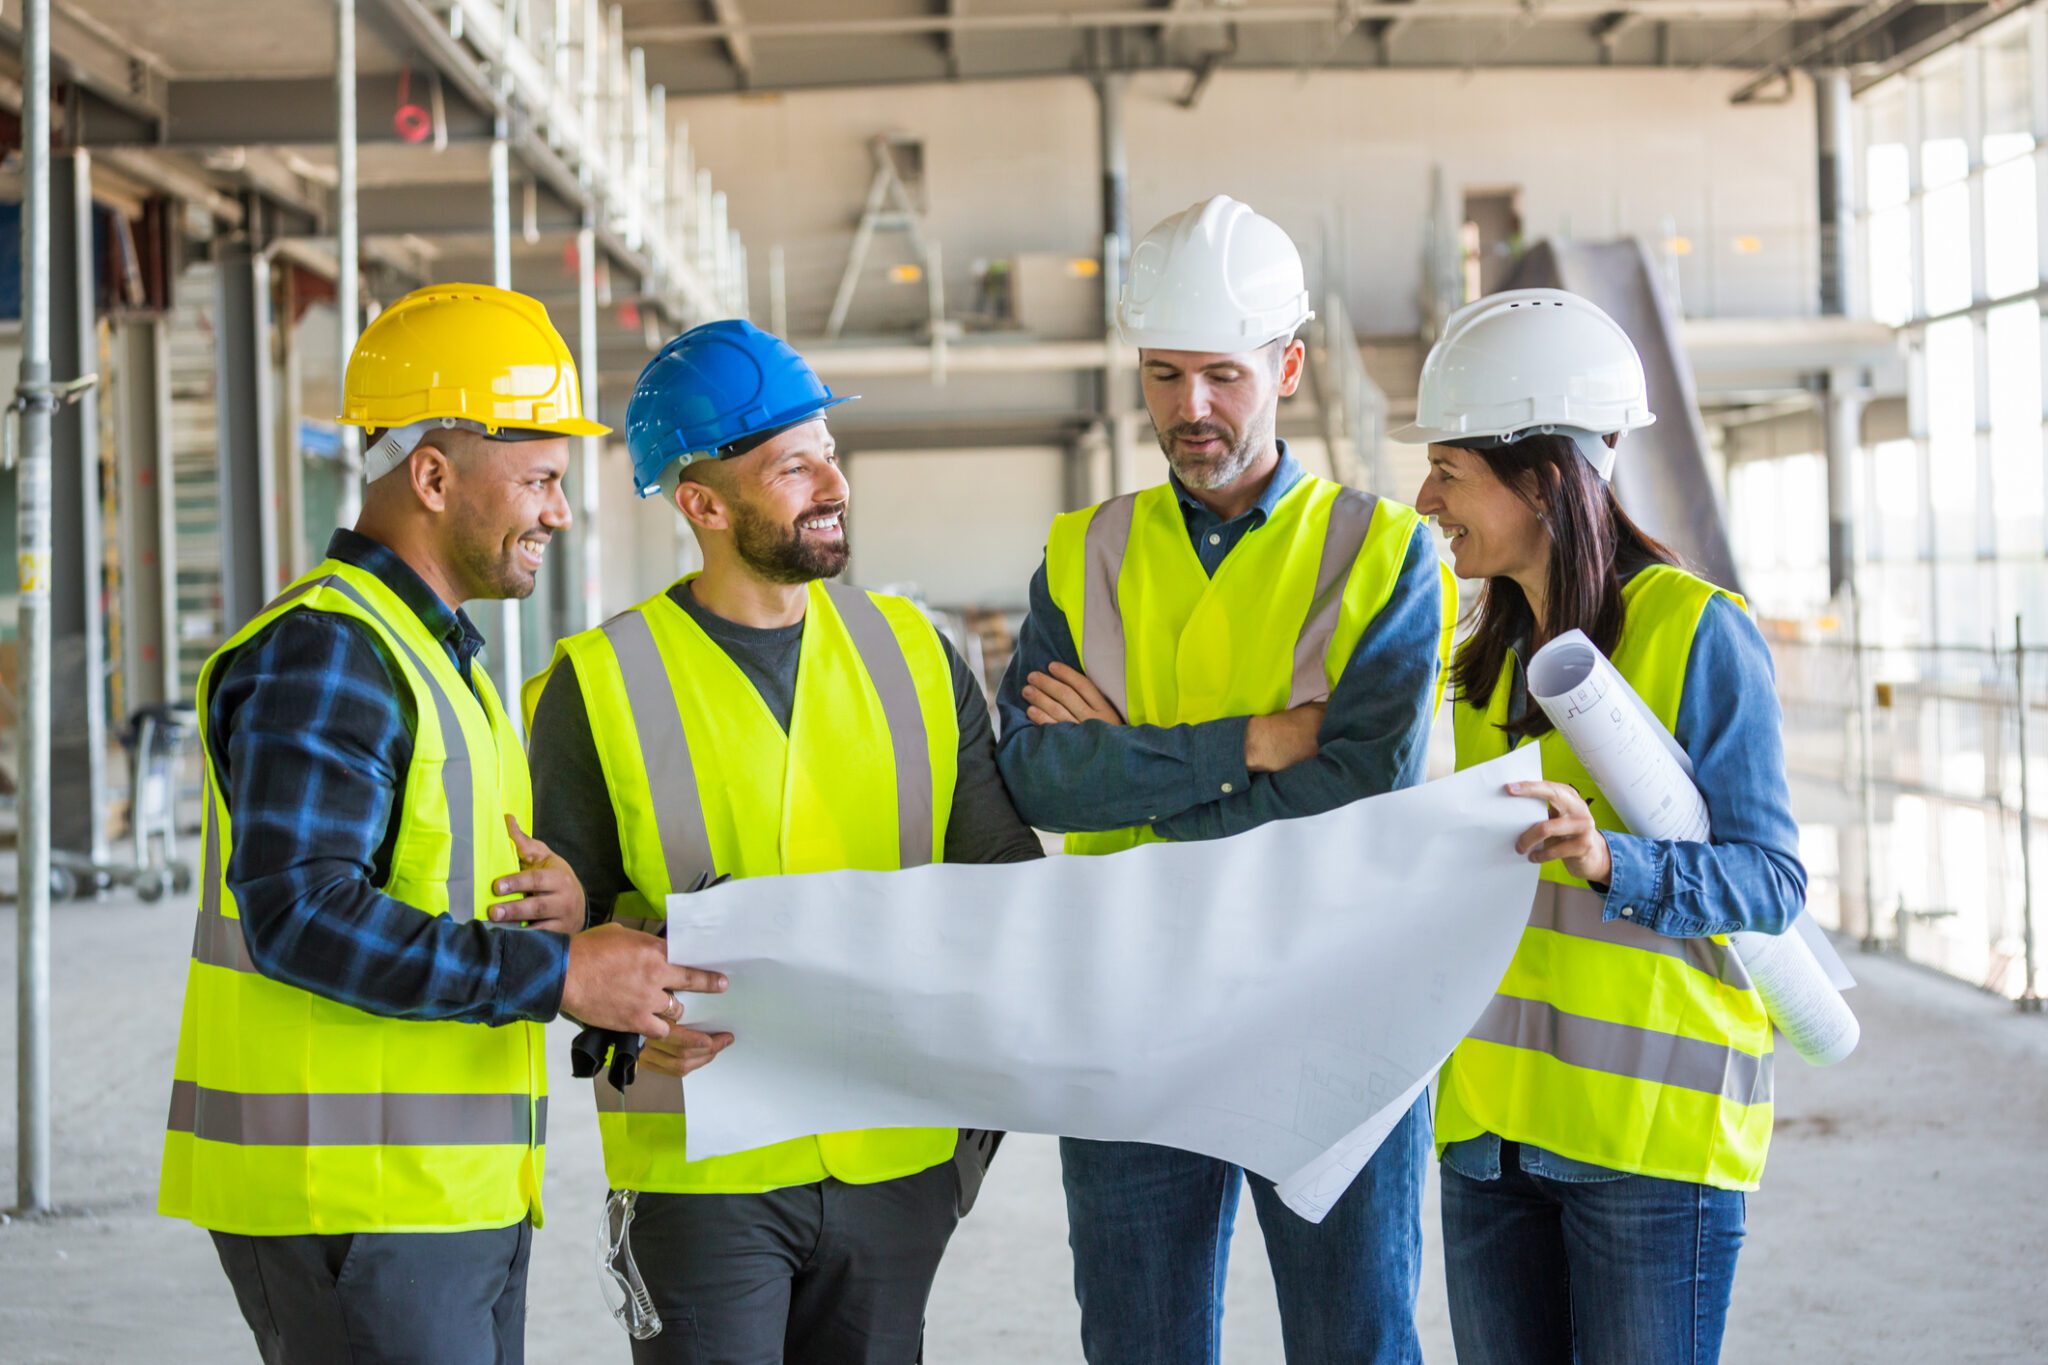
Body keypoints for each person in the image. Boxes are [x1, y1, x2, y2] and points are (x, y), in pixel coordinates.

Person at [159, 283, 727, 1365]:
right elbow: (300, 915)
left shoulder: (437, 654)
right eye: (541, 481)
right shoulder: (329, 651)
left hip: (432, 1193)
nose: (560, 513)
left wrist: (547, 920)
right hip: (349, 1200)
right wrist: (553, 978)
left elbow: (412, 882)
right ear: (431, 473)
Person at [524, 318, 1043, 1364]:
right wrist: (629, 1016)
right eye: (792, 466)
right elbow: (564, 942)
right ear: (703, 505)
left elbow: (1002, 883)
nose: (830, 484)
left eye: (829, 455)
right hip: (701, 1165)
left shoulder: (914, 651)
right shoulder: (594, 683)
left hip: (891, 1148)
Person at [995, 195, 1454, 1365]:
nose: (1187, 409)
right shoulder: (1081, 549)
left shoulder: (1382, 551)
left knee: (1353, 1340)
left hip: (1332, 1004)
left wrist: (1130, 764)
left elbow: (1360, 785)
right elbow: (1039, 778)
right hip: (1126, 1008)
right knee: (1138, 1345)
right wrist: (1253, 742)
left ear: (1286, 366)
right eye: (1161, 375)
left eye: (1220, 375)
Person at [1398, 287, 1807, 1365]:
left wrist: (1606, 858)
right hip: (1490, 1131)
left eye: (1447, 470)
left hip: (1646, 1144)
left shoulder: (1696, 631)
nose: (1424, 494)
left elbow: (1769, 881)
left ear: (1536, 480)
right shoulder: (1485, 653)